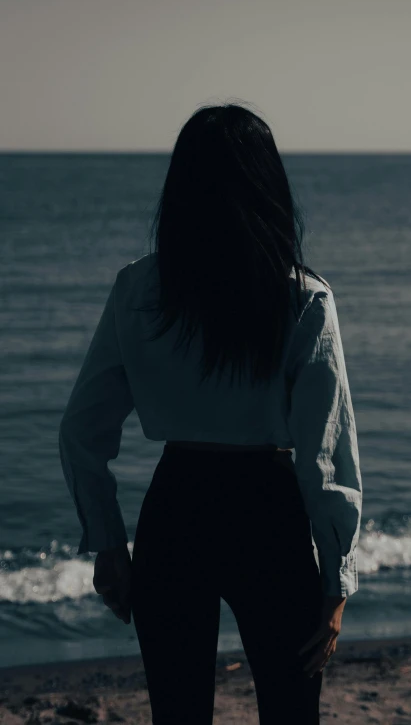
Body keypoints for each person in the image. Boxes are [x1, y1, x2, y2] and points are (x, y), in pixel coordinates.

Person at [58, 100, 363, 724]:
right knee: (291, 711)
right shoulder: (303, 298)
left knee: (177, 714)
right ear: (269, 186)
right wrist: (336, 578)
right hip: (269, 518)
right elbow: (324, 455)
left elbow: (82, 430)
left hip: (177, 510)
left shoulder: (138, 289)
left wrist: (110, 544)